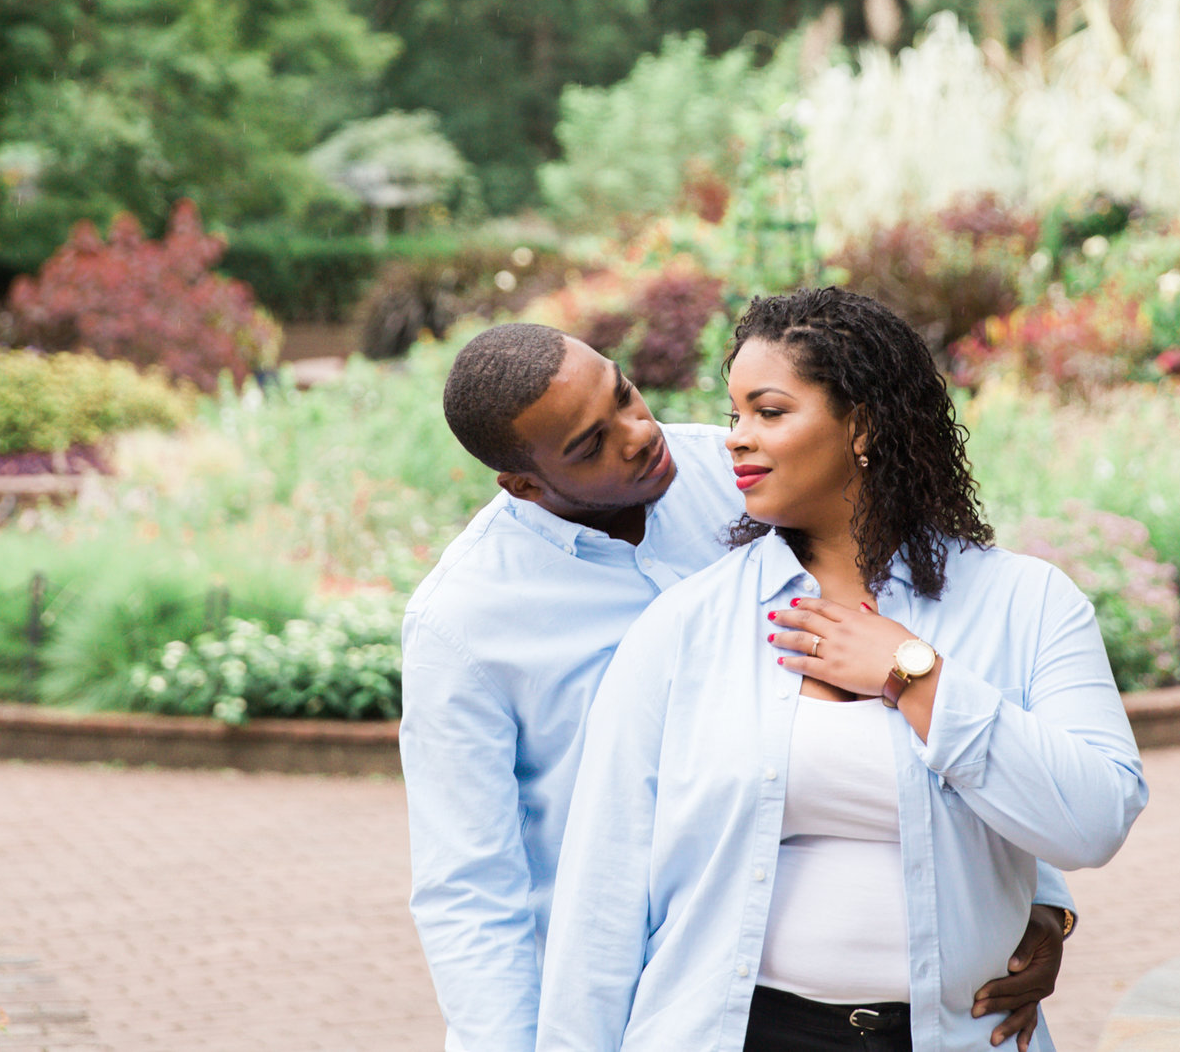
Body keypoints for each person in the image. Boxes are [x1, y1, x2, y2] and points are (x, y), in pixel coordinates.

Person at [405, 323, 1078, 1052]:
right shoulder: (462, 622)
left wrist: (1034, 897)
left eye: (625, 394)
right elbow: (470, 888)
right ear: (524, 484)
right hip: (635, 997)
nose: (636, 432)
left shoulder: (746, 477)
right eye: (590, 444)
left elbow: (937, 652)